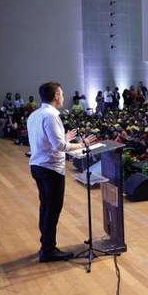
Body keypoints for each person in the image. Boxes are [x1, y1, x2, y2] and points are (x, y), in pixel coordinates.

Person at [28, 81, 96, 263]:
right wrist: (83, 144)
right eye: (62, 93)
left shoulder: (35, 115)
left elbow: (45, 141)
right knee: (53, 209)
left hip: (37, 165)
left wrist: (65, 138)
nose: (63, 97)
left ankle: (45, 243)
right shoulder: (51, 116)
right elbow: (59, 146)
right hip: (50, 169)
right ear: (56, 95)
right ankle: (48, 250)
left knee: (46, 206)